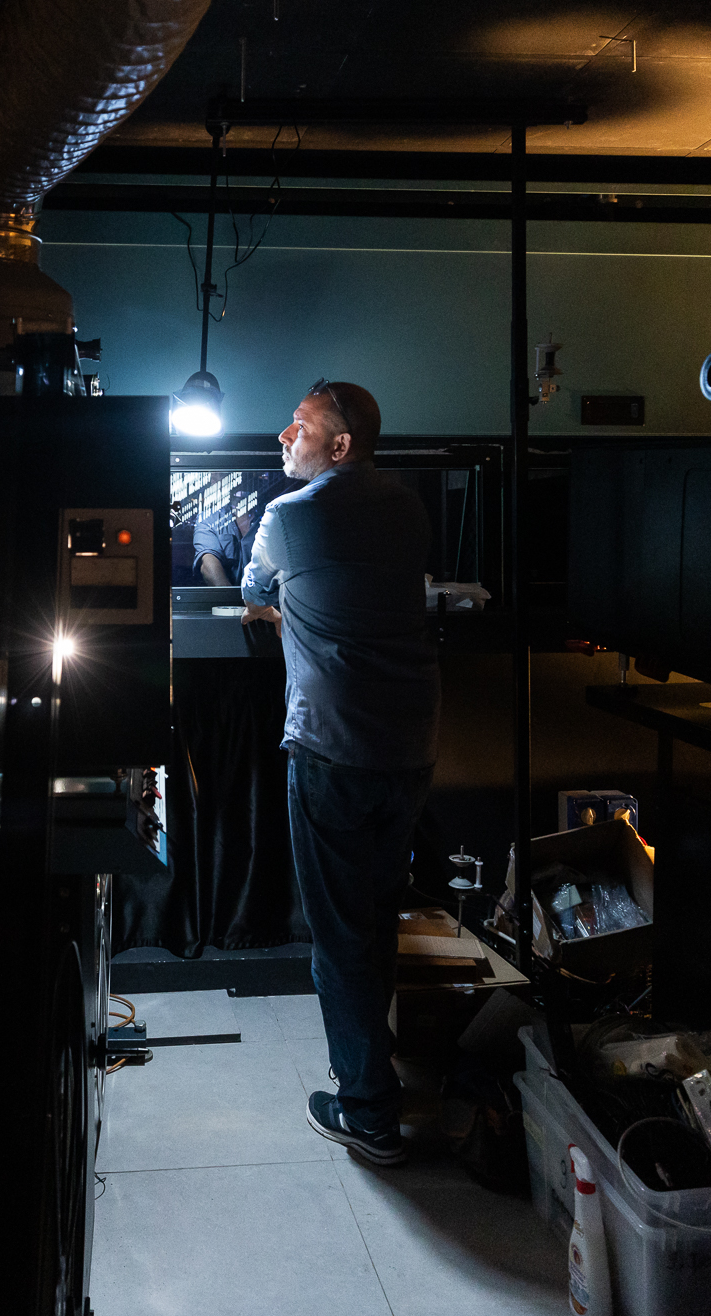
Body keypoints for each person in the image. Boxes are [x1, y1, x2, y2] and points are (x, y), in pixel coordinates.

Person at [240, 379, 439, 1167]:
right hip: (410, 746)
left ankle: (368, 1112)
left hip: (333, 746)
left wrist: (282, 605)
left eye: (301, 426)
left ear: (340, 445)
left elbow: (254, 588)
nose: (284, 437)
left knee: (339, 935)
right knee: (378, 918)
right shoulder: (409, 508)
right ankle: (369, 1069)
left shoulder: (289, 516)